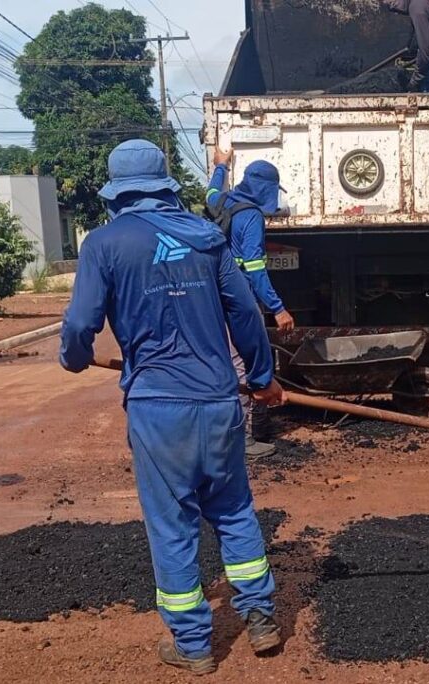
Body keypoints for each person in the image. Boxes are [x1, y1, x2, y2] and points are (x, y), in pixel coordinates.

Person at [60, 139, 286, 675]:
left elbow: (80, 324)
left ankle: (193, 645)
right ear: (164, 185)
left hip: (159, 408)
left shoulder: (104, 244)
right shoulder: (207, 238)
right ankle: (260, 618)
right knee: (233, 508)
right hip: (218, 401)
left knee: (172, 523)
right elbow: (245, 316)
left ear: (117, 192)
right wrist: (261, 378)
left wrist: (74, 357)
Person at [205, 151, 294, 459]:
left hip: (214, 295)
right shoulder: (252, 216)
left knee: (232, 360)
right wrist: (277, 308)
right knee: (247, 361)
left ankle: (255, 427)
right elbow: (255, 268)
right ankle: (245, 437)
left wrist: (221, 166)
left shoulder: (222, 202)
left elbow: (210, 191)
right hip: (240, 298)